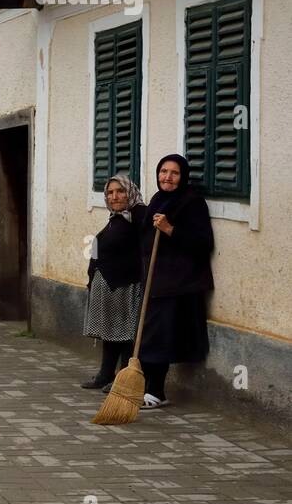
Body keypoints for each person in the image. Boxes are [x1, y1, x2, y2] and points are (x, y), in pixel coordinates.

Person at [137, 154, 213, 409]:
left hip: (178, 284)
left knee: (160, 336)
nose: (167, 177)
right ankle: (146, 387)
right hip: (155, 280)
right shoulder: (158, 199)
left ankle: (156, 391)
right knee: (149, 334)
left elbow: (203, 244)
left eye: (174, 173)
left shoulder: (192, 203)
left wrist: (170, 229)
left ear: (184, 176)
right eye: (163, 172)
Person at [80, 174, 147, 390]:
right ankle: (105, 374)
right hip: (107, 285)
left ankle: (123, 379)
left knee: (126, 333)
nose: (115, 196)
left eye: (120, 191)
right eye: (110, 192)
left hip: (125, 285)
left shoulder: (139, 215)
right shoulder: (116, 218)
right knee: (110, 332)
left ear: (130, 192)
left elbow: (145, 250)